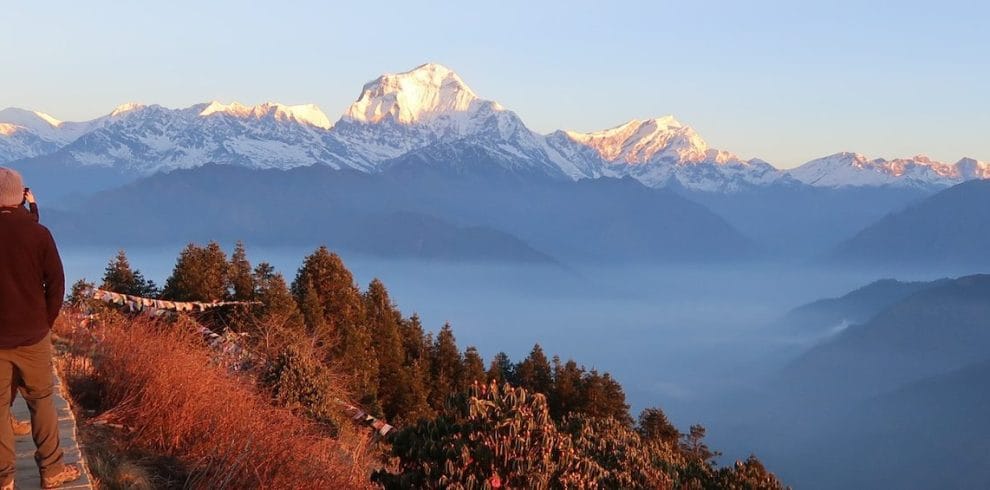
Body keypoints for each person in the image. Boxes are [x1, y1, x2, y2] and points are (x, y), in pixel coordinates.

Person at [0, 167, 80, 489]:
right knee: (42, 400)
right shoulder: (39, 234)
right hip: (33, 335)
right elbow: (56, 284)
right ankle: (51, 470)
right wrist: (45, 322)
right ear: (20, 196)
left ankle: (4, 479)